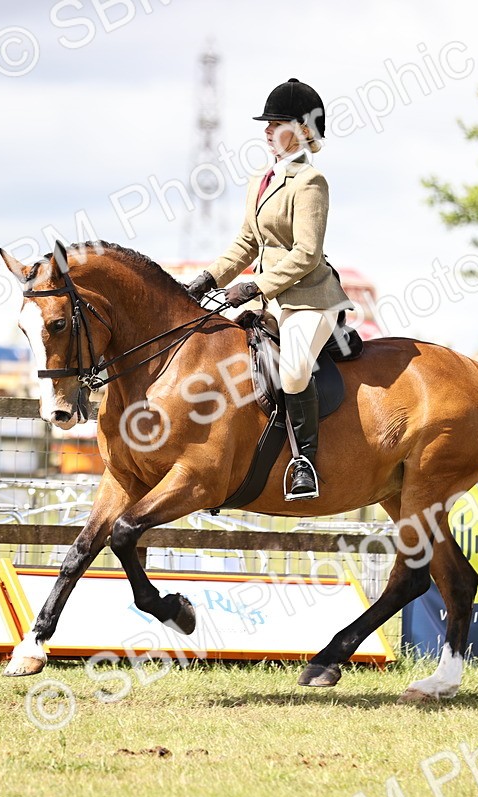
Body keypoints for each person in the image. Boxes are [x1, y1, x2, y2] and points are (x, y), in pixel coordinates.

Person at [183, 78, 353, 502]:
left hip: (309, 301)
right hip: (271, 299)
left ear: (302, 129)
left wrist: (255, 285)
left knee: (293, 369)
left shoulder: (311, 181)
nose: (266, 130)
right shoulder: (261, 179)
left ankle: (304, 463)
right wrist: (208, 279)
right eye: (267, 123)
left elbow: (307, 254)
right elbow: (246, 242)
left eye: (276, 123)